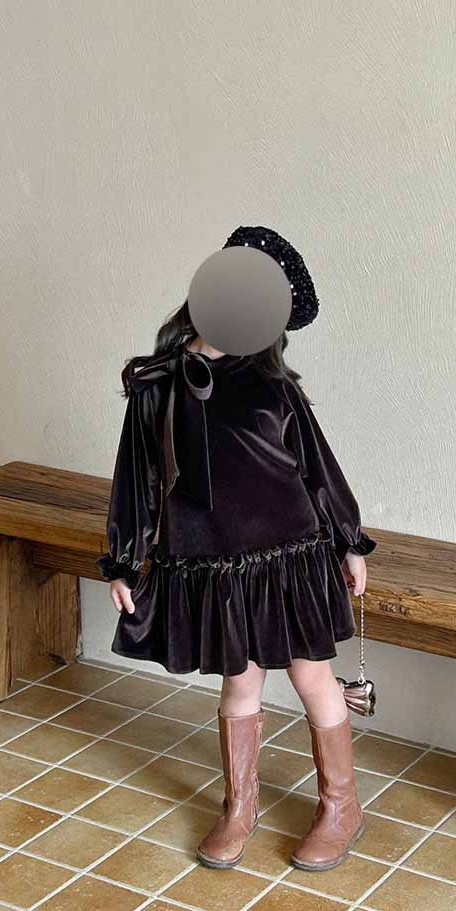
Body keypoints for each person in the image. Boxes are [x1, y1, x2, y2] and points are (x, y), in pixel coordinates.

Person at [96, 225, 376, 872]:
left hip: (290, 556)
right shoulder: (157, 386)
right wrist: (123, 560)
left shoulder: (274, 387)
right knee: (239, 683)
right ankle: (239, 807)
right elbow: (137, 478)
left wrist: (349, 542)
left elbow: (318, 469)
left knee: (312, 678)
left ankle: (341, 809)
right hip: (215, 563)